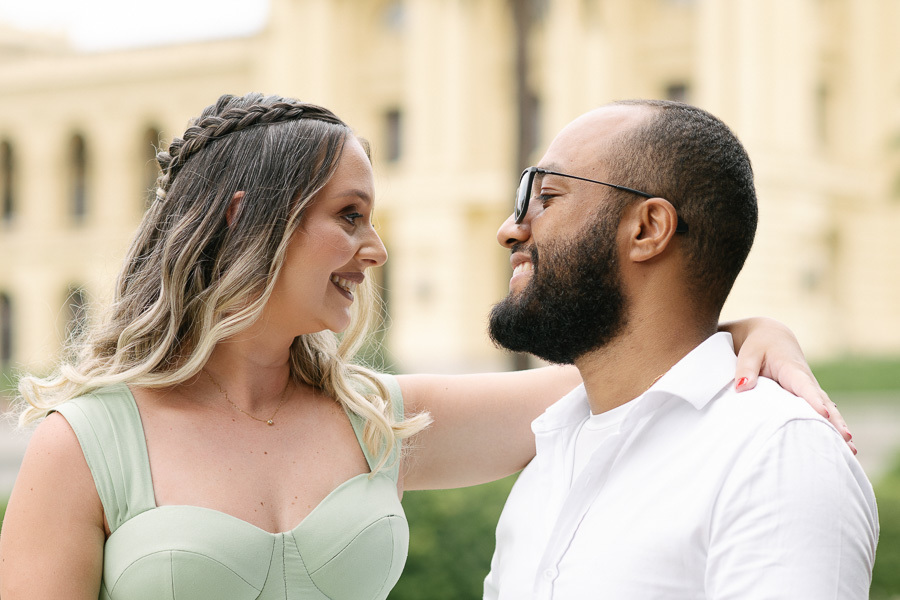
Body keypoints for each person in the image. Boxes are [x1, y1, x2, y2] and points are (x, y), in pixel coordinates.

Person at [0, 93, 849, 600]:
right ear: (243, 217)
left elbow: (632, 375)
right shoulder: (86, 444)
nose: (375, 251)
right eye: (349, 216)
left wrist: (746, 330)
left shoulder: (376, 422)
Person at [483, 99, 879, 600]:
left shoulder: (774, 452)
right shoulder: (552, 449)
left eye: (547, 196)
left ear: (647, 229)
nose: (511, 228)